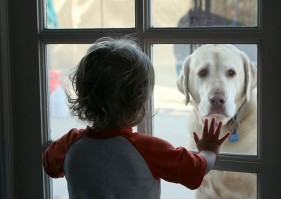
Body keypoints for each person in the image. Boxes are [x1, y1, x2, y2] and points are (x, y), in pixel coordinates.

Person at [43, 36, 230, 199]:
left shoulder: (69, 143)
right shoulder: (148, 149)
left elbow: (49, 164)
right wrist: (209, 151)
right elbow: (194, 170)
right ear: (138, 104)